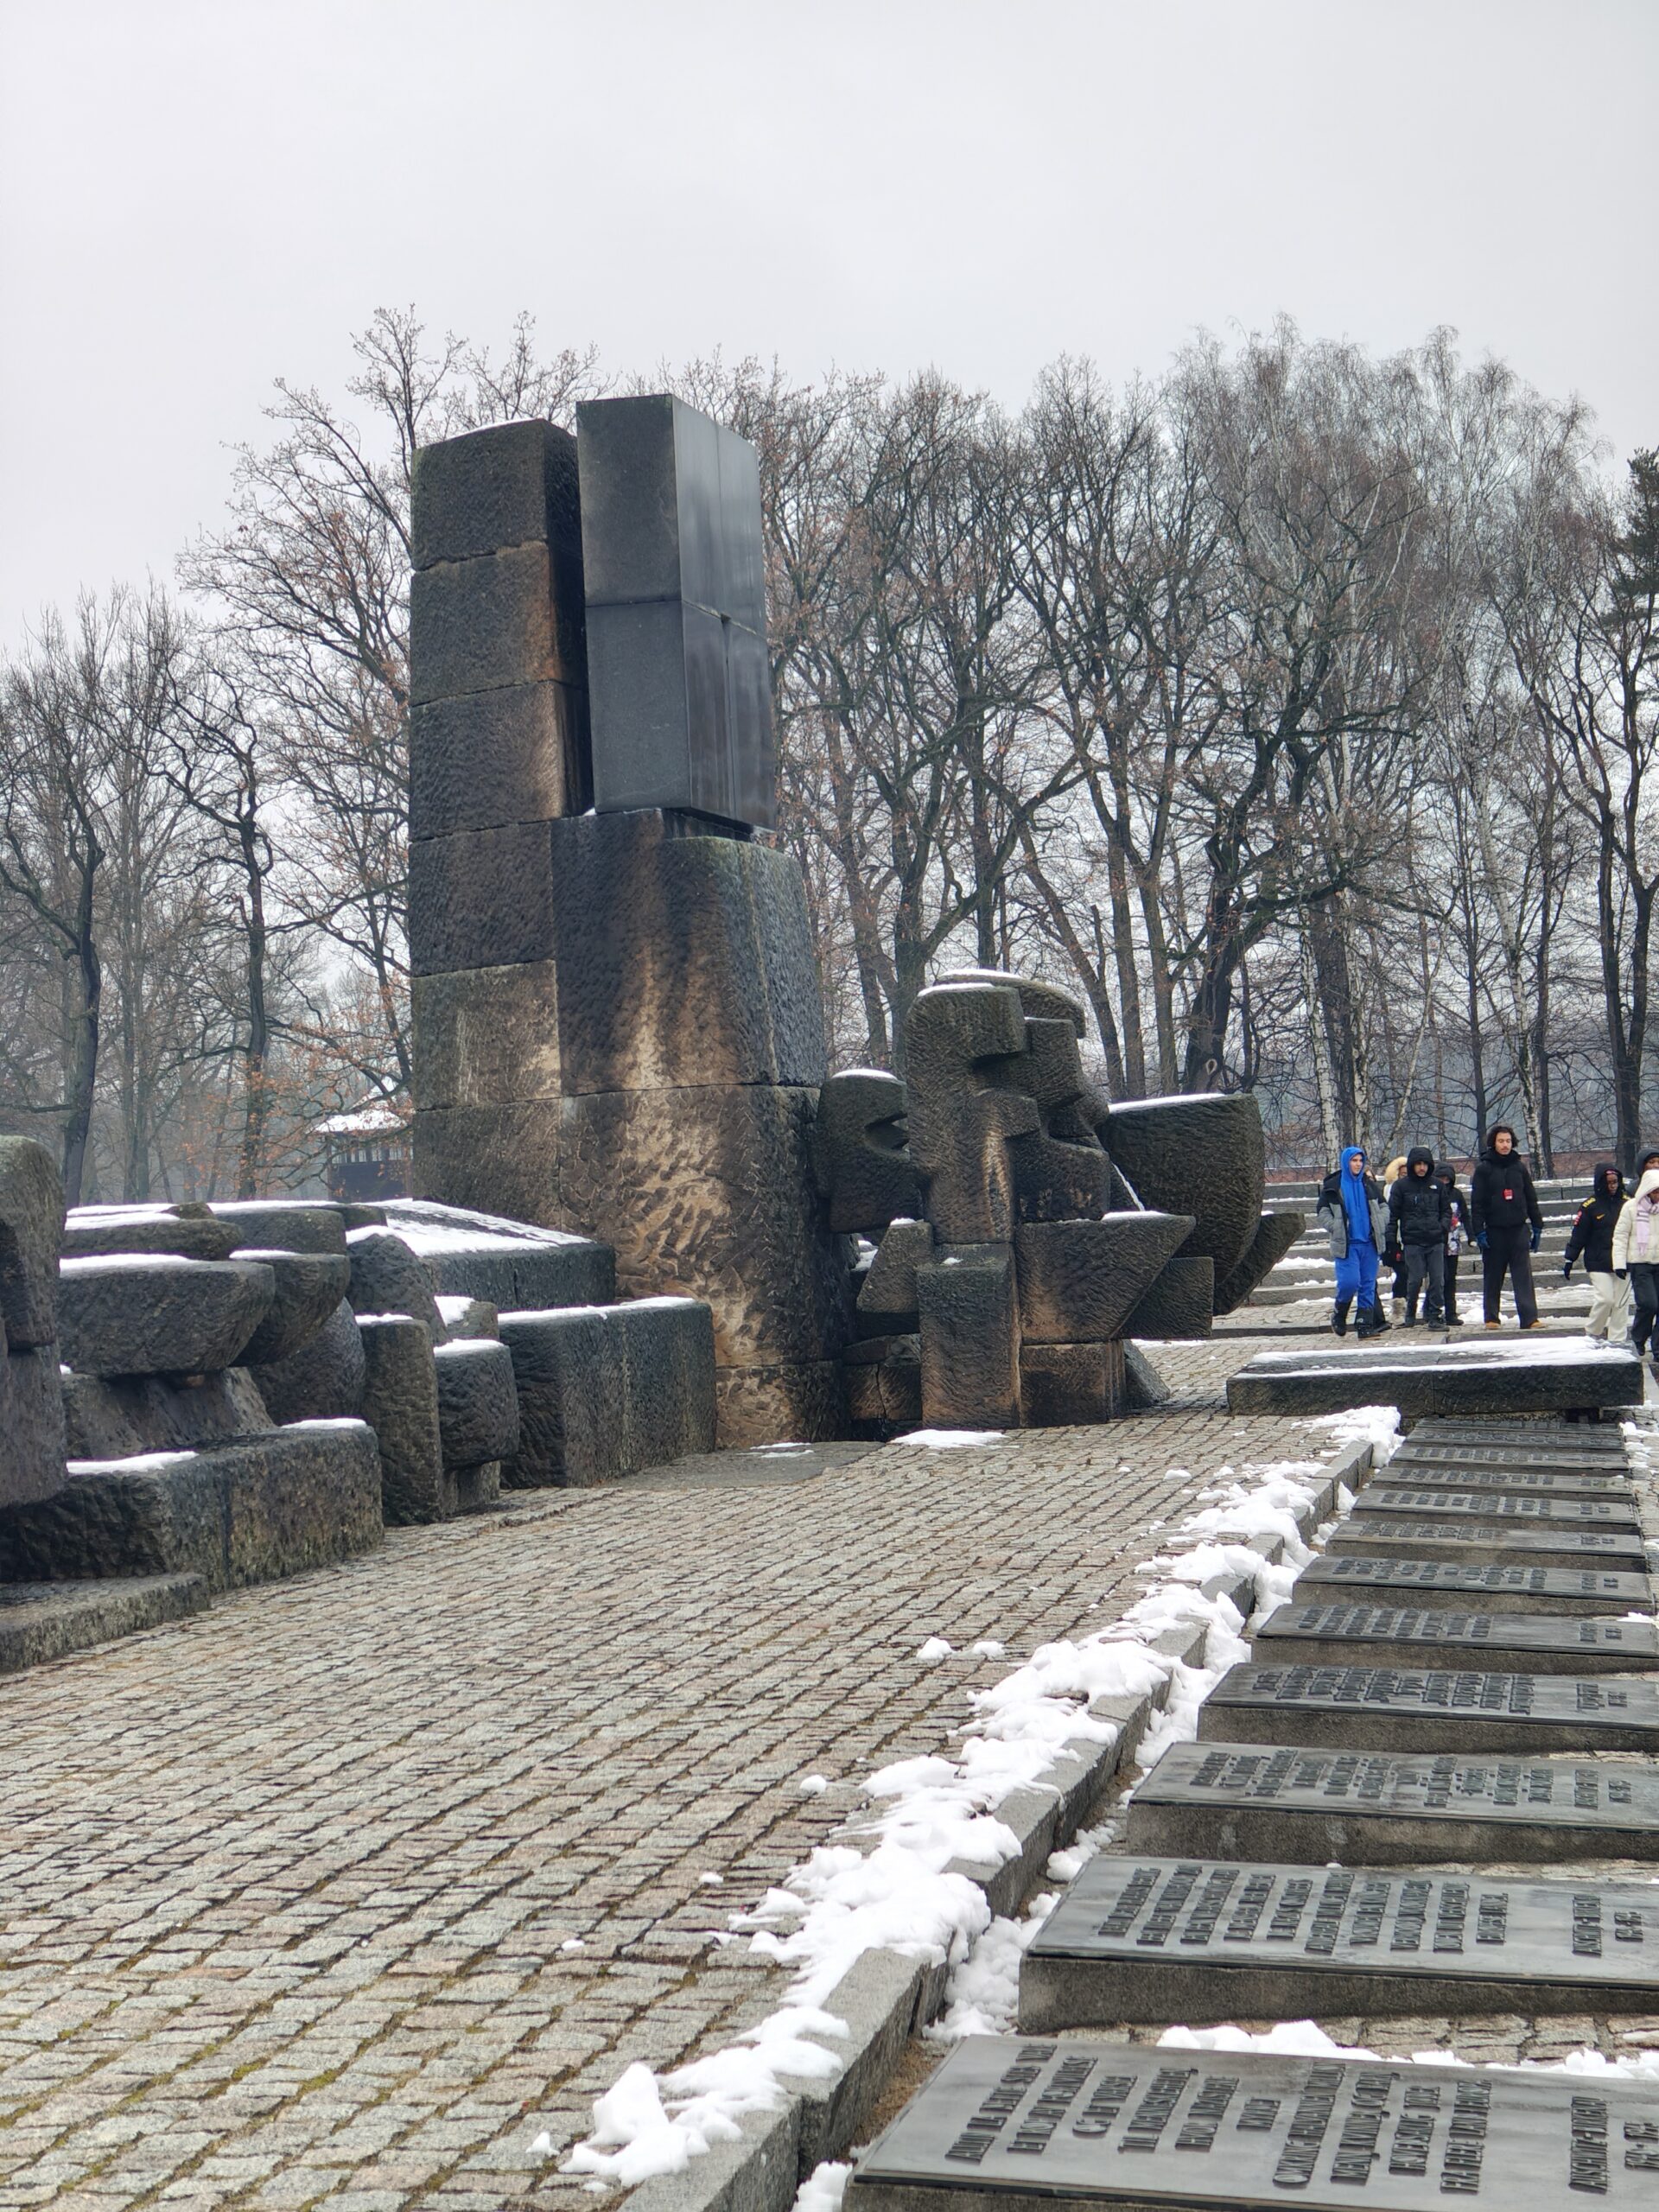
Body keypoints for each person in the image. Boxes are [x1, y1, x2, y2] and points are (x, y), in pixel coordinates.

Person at [1469, 1122, 1544, 1329]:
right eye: (1501, 1141)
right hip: (1494, 1230)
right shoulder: (1484, 1169)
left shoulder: (1519, 1167)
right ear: (1493, 1143)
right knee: (1493, 1276)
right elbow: (1477, 1203)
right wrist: (1479, 1231)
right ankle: (1491, 1317)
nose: (1505, 1145)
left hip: (1518, 1229)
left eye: (1508, 1141)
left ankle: (1529, 1318)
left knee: (1523, 1276)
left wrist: (1537, 1225)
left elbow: (1531, 1197)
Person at [1316, 1144, 1390, 1337]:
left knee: (1368, 1285)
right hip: (1347, 1245)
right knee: (1349, 1282)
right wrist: (1335, 1226)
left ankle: (1364, 1325)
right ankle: (1339, 1314)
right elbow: (1322, 1211)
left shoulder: (1368, 1185)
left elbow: (1384, 1206)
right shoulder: (1333, 1186)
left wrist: (1380, 1222)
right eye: (1354, 1161)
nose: (1358, 1164)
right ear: (1345, 1162)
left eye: (1360, 1161)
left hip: (1369, 1243)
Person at [1563, 1162, 1630, 1343]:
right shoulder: (1590, 1206)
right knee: (1606, 1299)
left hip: (1624, 1260)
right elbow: (1579, 1234)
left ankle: (1618, 1340)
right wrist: (1570, 1258)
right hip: (1597, 1261)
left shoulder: (1628, 1203)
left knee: (1621, 1303)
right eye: (1608, 1183)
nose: (1612, 1186)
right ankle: (1593, 1332)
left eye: (1615, 1182)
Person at [1387, 1146, 1449, 1325]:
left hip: (1435, 1240)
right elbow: (1392, 1215)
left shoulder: (1437, 1185)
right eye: (1418, 1164)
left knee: (1437, 1280)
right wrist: (1391, 1241)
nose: (1422, 1168)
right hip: (1412, 1241)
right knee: (1414, 1280)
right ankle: (1411, 1312)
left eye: (1425, 1164)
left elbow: (1446, 1210)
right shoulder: (1401, 1186)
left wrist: (1442, 1227)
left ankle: (1435, 1314)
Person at [1611, 1148, 1659, 1359]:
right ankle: (1638, 1338)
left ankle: (1658, 1348)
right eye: (1655, 1191)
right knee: (1648, 1304)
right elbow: (1621, 1236)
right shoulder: (1631, 1208)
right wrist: (1619, 1263)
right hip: (1641, 1263)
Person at [1435, 1164, 1468, 1325]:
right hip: (1436, 1241)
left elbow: (1465, 1215)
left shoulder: (1457, 1194)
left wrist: (1472, 1235)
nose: (1444, 1181)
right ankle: (1433, 1311)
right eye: (1441, 1178)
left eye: (1447, 1179)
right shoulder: (1432, 1193)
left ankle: (1451, 1313)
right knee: (1438, 1278)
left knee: (1450, 1280)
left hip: (1453, 1243)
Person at [1382, 1154, 1409, 1319]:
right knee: (1402, 1272)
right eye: (1402, 1174)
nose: (1405, 1177)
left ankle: (1408, 1306)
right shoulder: (1389, 1189)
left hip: (1410, 1236)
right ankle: (1398, 1307)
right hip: (1395, 1238)